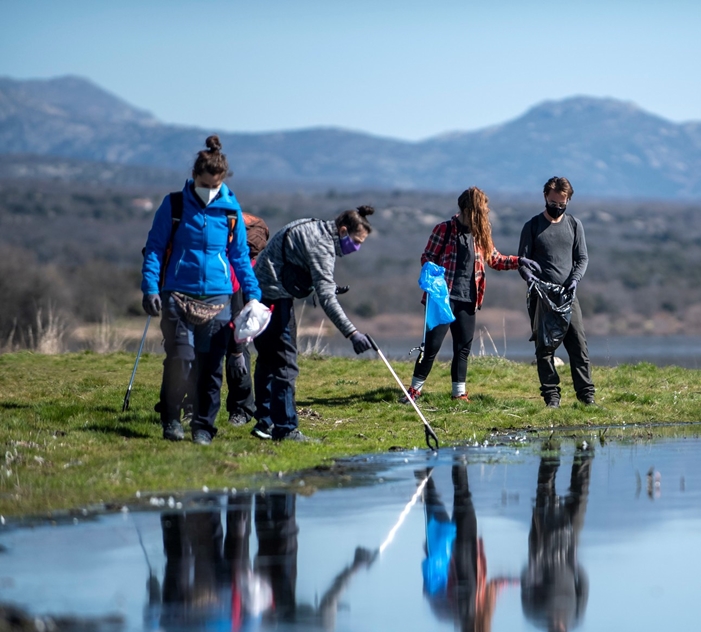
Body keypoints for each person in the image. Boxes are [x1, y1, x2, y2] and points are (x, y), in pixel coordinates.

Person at [141, 135, 262, 445]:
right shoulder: (175, 204)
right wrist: (150, 287)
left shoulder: (230, 209)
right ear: (195, 177)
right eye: (205, 184)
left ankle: (204, 428)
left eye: (216, 186)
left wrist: (252, 292)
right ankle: (170, 418)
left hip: (218, 297)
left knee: (210, 368)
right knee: (181, 359)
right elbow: (155, 248)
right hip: (177, 293)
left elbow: (238, 256)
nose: (210, 191)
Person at [250, 205, 376, 441]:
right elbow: (327, 298)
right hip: (274, 296)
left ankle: (264, 422)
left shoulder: (315, 226)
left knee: (267, 359)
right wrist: (352, 333)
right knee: (286, 363)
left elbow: (302, 266)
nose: (356, 248)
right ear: (343, 229)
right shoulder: (322, 246)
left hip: (260, 291)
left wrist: (321, 284)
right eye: (355, 241)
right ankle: (286, 428)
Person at [403, 187, 540, 402]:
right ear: (470, 209)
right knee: (431, 347)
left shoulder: (481, 233)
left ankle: (459, 394)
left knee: (463, 348)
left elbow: (495, 259)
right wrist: (432, 271)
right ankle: (413, 391)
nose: (486, 212)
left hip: (469, 300)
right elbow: (427, 257)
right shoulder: (444, 230)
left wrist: (519, 261)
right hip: (442, 300)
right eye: (483, 208)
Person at [420, 461, 514, 632]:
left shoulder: (466, 608)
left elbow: (435, 584)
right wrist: (516, 580)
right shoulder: (468, 611)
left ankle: (450, 460)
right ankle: (434, 463)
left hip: (450, 553)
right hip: (444, 551)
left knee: (456, 497)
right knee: (437, 497)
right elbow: (494, 587)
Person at [517, 177, 595, 408]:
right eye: (553, 202)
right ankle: (552, 398)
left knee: (579, 346)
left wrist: (575, 279)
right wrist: (529, 276)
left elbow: (582, 258)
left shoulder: (574, 225)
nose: (557, 207)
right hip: (542, 298)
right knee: (545, 349)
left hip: (568, 296)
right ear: (545, 198)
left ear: (568, 200)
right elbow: (523, 261)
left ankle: (586, 396)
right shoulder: (531, 226)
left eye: (562, 203)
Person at [522, 447, 593, 632]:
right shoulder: (576, 618)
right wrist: (574, 562)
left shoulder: (534, 616)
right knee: (579, 495)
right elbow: (584, 586)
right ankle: (585, 448)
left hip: (542, 548)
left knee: (545, 493)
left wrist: (536, 560)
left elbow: (526, 581)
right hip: (571, 550)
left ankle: (550, 449)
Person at [223, 212, 270, 427]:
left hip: (237, 283)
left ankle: (241, 408)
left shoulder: (230, 215)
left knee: (238, 347)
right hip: (213, 284)